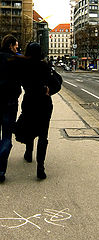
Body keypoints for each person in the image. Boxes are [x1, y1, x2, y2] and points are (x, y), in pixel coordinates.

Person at [15, 42, 62, 180]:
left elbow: (20, 82)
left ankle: (28, 153)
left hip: (29, 101)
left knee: (30, 128)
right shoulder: (45, 66)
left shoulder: (23, 66)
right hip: (44, 103)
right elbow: (58, 82)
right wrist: (48, 91)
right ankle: (40, 167)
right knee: (43, 134)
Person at [0, 34, 21, 183]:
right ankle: (0, 171)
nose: (17, 48)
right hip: (10, 103)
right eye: (16, 46)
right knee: (6, 136)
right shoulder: (16, 60)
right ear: (10, 45)